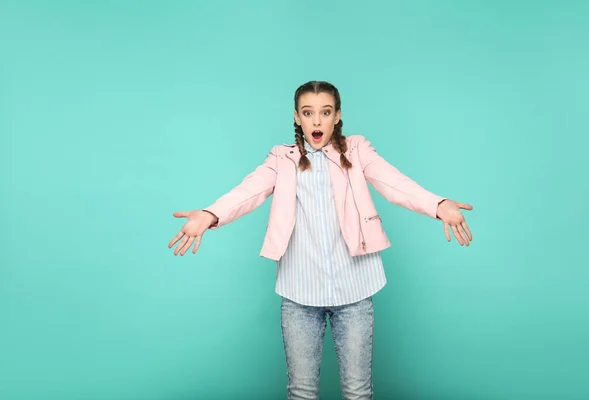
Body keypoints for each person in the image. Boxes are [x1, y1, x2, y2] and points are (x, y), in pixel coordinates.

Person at [168, 81, 473, 399]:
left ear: (337, 115)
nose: (317, 121)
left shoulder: (356, 150)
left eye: (325, 112)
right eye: (308, 113)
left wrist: (437, 205)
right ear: (297, 117)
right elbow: (248, 191)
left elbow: (393, 182)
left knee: (358, 392)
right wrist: (210, 214)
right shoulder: (281, 159)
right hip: (299, 294)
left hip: (355, 289)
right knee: (301, 393)